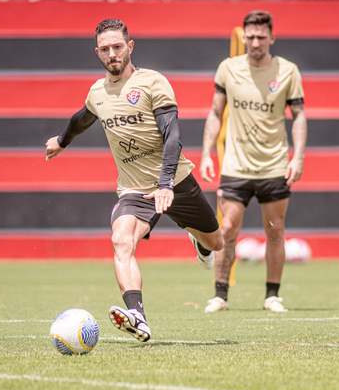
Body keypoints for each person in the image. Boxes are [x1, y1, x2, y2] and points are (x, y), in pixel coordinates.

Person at [45, 19, 224, 342]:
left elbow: (173, 137)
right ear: (97, 52)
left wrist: (166, 184)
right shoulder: (97, 93)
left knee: (217, 243)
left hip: (175, 181)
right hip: (133, 189)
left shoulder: (153, 82)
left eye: (118, 47)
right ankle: (137, 316)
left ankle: (198, 240)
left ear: (130, 47)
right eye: (105, 49)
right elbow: (81, 119)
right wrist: (61, 141)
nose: (112, 53)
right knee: (121, 241)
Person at [199, 11, 307, 313]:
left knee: (275, 230)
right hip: (235, 165)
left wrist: (297, 156)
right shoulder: (227, 69)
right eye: (251, 36)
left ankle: (272, 296)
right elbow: (215, 112)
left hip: (274, 165)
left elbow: (298, 116)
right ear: (242, 36)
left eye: (262, 37)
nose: (255, 42)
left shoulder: (288, 71)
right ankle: (220, 296)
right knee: (228, 228)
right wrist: (207, 152)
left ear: (271, 38)